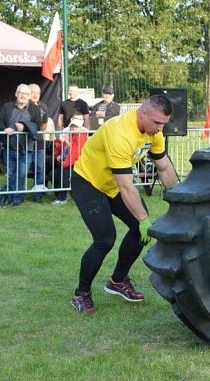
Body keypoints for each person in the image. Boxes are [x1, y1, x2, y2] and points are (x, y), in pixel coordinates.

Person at [70, 94, 179, 314]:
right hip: (88, 183)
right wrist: (142, 219)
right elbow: (127, 187)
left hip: (113, 185)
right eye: (157, 123)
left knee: (142, 232)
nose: (160, 128)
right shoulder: (120, 132)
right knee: (105, 239)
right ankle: (81, 294)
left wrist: (179, 200)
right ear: (143, 112)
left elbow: (165, 168)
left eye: (164, 124)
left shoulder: (153, 133)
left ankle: (117, 281)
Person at [0, 84, 42, 207]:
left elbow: (38, 125)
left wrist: (25, 126)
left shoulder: (35, 109)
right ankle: (15, 197)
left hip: (26, 148)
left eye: (26, 94)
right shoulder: (7, 106)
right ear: (16, 94)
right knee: (11, 173)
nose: (23, 96)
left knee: (22, 174)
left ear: (29, 96)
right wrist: (4, 128)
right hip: (9, 147)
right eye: (20, 93)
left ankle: (16, 196)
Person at [52, 116, 88, 205]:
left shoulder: (80, 137)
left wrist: (64, 164)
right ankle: (62, 195)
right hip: (71, 162)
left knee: (63, 175)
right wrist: (60, 156)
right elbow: (66, 150)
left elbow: (74, 154)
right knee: (54, 174)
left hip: (75, 163)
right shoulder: (73, 136)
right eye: (72, 126)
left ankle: (62, 198)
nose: (73, 128)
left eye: (75, 126)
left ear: (80, 128)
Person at [28, 83, 49, 202]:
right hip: (26, 144)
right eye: (33, 92)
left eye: (37, 93)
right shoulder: (25, 106)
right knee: (23, 169)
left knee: (40, 169)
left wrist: (39, 129)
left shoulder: (43, 106)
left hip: (40, 144)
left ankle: (38, 195)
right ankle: (19, 193)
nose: (35, 95)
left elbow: (45, 124)